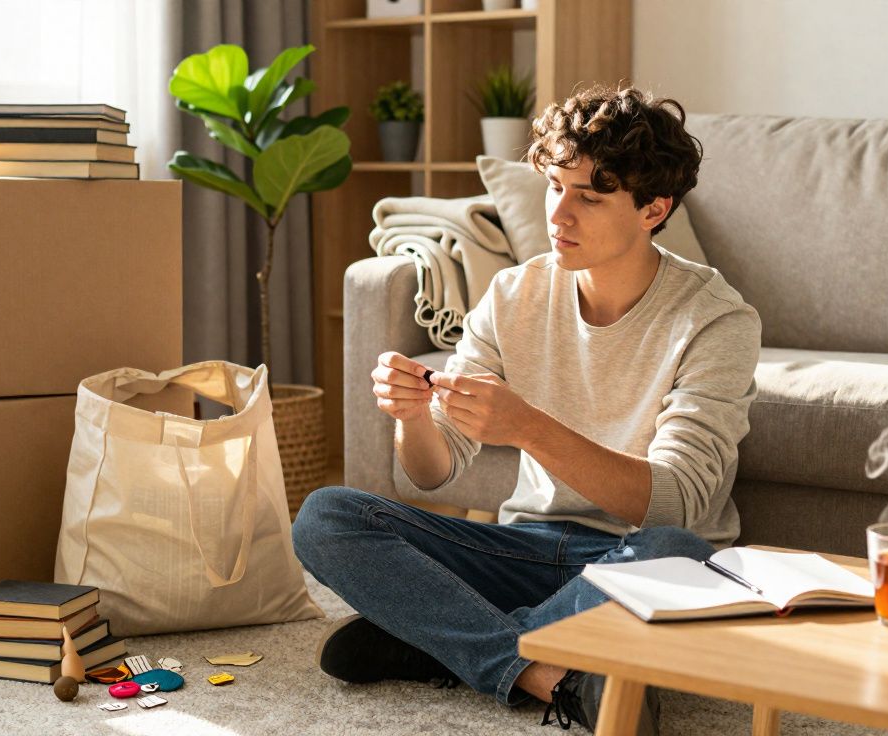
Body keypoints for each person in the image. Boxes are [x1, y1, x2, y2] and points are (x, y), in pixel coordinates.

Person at [292, 85, 762, 733]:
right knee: (327, 515)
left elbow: (677, 504)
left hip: (639, 557)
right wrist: (411, 418)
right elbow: (432, 472)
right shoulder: (514, 294)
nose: (559, 215)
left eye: (589, 198)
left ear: (654, 209)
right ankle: (545, 672)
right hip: (527, 551)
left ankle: (440, 641)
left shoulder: (715, 319)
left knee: (681, 553)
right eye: (554, 187)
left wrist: (528, 428)